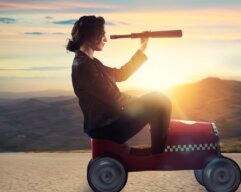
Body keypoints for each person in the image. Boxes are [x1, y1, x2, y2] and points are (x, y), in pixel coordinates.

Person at [68, 15, 171, 156]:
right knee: (161, 101)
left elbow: (120, 74)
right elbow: (115, 99)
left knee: (157, 98)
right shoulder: (83, 66)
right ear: (93, 36)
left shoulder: (90, 62)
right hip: (107, 127)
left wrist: (142, 49)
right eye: (103, 35)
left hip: (109, 122)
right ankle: (157, 153)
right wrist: (144, 103)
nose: (106, 39)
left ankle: (152, 151)